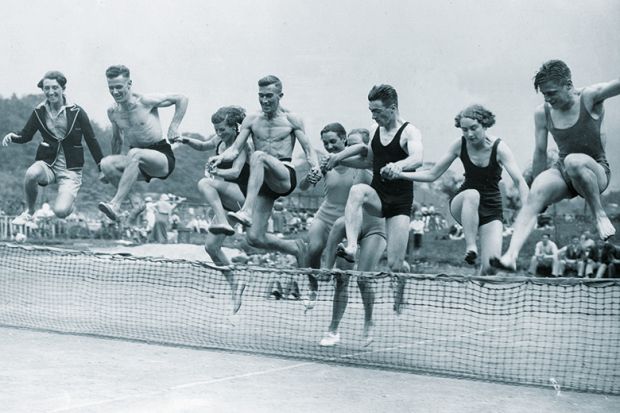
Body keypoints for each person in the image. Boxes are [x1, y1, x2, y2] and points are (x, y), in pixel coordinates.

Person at [492, 60, 620, 271]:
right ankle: (510, 256)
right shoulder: (542, 113)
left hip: (595, 172)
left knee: (574, 161)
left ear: (568, 85)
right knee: (537, 191)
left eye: (552, 93)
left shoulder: (590, 97)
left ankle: (600, 214)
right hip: (563, 171)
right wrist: (538, 193)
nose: (548, 99)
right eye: (544, 95)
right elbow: (540, 152)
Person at [390, 105, 528, 275]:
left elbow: (519, 181)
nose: (469, 134)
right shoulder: (459, 145)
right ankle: (471, 247)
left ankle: (479, 289)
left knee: (491, 269)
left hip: (491, 209)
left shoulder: (499, 147)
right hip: (464, 205)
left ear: (485, 125)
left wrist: (529, 207)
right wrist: (400, 175)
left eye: (473, 128)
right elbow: (433, 174)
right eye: (464, 130)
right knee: (472, 194)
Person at [326, 84, 423, 313]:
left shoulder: (410, 132)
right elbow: (369, 161)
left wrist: (398, 166)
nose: (373, 116)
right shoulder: (375, 129)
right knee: (357, 190)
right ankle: (351, 247)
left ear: (392, 108)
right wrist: (337, 160)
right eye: (371, 111)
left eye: (377, 111)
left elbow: (417, 159)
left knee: (395, 264)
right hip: (378, 196)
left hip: (399, 203)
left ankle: (401, 281)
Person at [207, 75, 320, 266]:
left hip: (282, 174)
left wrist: (315, 167)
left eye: (269, 96)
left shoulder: (292, 119)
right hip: (262, 183)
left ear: (280, 95)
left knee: (258, 156)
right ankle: (296, 248)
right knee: (255, 238)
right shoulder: (251, 120)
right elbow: (234, 149)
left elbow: (309, 149)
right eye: (261, 96)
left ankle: (247, 210)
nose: (265, 100)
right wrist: (220, 157)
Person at [174, 106, 250, 312]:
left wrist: (215, 171)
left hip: (241, 197)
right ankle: (235, 285)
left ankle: (222, 220)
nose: (219, 134)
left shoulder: (241, 146)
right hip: (226, 199)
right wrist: (185, 140)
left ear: (235, 127)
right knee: (211, 248)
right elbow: (203, 145)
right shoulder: (219, 141)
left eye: (223, 130)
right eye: (216, 130)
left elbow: (235, 173)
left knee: (205, 183)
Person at [2, 70, 103, 224]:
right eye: (46, 88)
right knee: (31, 174)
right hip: (48, 163)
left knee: (61, 212)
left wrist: (102, 167)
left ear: (63, 88)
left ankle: (69, 204)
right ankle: (29, 211)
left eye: (55, 87)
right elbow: (26, 135)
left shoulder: (77, 112)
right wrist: (14, 137)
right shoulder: (39, 112)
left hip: (70, 169)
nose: (50, 92)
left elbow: (91, 140)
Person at [316, 130, 388, 346]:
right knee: (342, 279)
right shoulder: (346, 166)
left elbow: (360, 153)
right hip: (353, 228)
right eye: (348, 143)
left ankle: (368, 322)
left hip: (375, 227)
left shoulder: (371, 163)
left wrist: (343, 154)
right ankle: (333, 329)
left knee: (363, 279)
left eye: (354, 144)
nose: (348, 147)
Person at [97, 65, 188, 221]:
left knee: (134, 153)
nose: (115, 92)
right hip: (136, 162)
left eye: (119, 87)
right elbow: (117, 139)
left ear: (129, 84)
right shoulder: (113, 112)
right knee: (105, 164)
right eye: (111, 88)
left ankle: (115, 204)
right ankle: (136, 203)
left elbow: (182, 99)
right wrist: (110, 170)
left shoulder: (145, 101)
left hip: (160, 157)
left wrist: (174, 126)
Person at [299, 124, 365, 309]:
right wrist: (308, 179)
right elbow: (303, 187)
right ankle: (312, 287)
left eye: (333, 141)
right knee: (313, 248)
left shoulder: (359, 162)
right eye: (325, 143)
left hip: (348, 221)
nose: (329, 146)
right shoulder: (325, 162)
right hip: (325, 215)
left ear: (344, 139)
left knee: (342, 276)